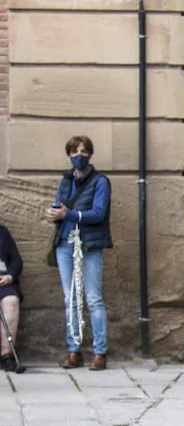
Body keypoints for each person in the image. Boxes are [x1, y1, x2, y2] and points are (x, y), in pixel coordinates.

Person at [46, 135, 112, 370]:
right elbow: (58, 204)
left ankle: (100, 352)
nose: (79, 156)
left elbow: (98, 213)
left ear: (90, 154)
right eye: (74, 152)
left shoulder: (100, 181)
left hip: (89, 244)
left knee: (93, 298)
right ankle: (74, 350)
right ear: (69, 155)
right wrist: (54, 212)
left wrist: (69, 214)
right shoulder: (65, 181)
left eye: (83, 152)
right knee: (70, 298)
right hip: (65, 242)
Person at [0, 223, 24, 372]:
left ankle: (6, 355)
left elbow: (16, 260)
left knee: (11, 300)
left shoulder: (2, 232)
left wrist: (10, 276)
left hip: (3, 281)